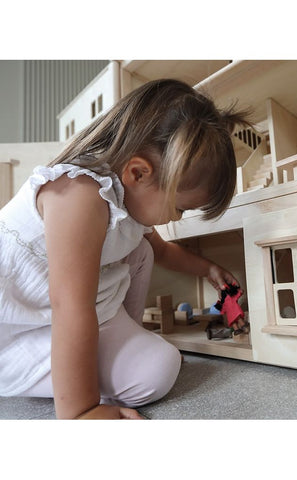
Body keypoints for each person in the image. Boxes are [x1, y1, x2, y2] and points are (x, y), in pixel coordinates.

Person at [0, 78, 249, 419]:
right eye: (181, 207)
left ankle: (106, 348)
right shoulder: (78, 195)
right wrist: (81, 411)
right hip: (15, 331)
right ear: (137, 172)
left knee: (143, 260)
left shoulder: (127, 201)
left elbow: (160, 252)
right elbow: (71, 305)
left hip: (61, 315)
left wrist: (208, 269)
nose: (177, 217)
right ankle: (77, 383)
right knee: (155, 369)